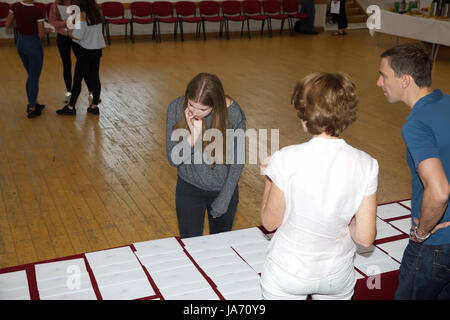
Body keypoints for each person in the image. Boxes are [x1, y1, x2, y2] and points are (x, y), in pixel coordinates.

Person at [259, 72, 379, 300]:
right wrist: (342, 214)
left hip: (288, 271)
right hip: (336, 275)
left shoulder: (285, 159)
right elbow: (365, 238)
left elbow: (269, 222)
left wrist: (269, 176)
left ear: (306, 117)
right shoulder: (367, 163)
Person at [377, 43, 450, 300]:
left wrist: (422, 233)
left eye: (384, 75)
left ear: (405, 80)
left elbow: (439, 192)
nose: (378, 82)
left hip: (435, 245)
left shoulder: (416, 124)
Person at [165, 73, 246, 238]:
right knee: (190, 245)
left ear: (215, 105)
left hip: (222, 189)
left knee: (220, 248)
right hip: (188, 188)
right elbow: (173, 159)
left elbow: (237, 163)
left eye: (203, 109)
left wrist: (224, 199)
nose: (195, 112)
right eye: (191, 105)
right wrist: (193, 138)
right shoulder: (175, 107)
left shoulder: (234, 115)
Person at [56, 0, 105, 116]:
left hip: (86, 51)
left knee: (77, 79)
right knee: (95, 77)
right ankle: (94, 106)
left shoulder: (81, 15)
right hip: (97, 50)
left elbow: (78, 36)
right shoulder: (97, 14)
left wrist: (68, 32)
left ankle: (71, 107)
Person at [5, 0, 46, 118]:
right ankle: (32, 108)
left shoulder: (16, 6)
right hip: (33, 44)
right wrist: (48, 29)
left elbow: (8, 24)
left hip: (21, 43)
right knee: (34, 76)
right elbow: (41, 34)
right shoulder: (37, 10)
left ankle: (33, 102)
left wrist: (20, 25)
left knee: (31, 74)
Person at [48, 0, 94, 104]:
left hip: (77, 36)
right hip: (63, 37)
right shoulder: (56, 3)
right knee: (66, 64)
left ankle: (91, 91)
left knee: (84, 64)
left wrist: (76, 21)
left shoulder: (79, 2)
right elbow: (51, 23)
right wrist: (63, 22)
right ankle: (69, 92)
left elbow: (87, 18)